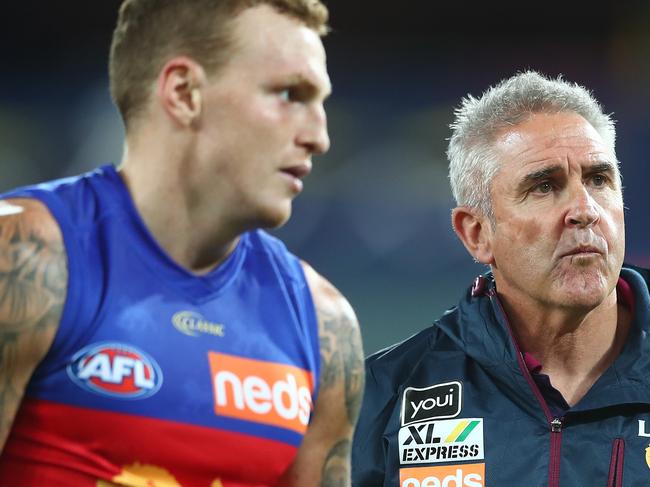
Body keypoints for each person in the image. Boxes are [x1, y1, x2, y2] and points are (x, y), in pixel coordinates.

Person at [0, 1, 365, 485]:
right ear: (184, 92)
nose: (320, 136)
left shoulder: (323, 326)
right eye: (289, 94)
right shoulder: (25, 256)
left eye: (320, 101)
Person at [351, 70, 650, 486]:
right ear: (477, 234)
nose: (585, 210)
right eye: (544, 187)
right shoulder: (381, 398)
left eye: (599, 179)